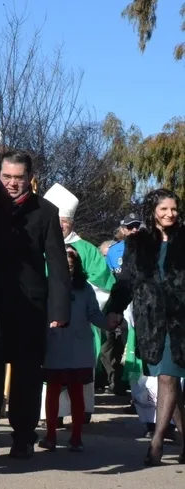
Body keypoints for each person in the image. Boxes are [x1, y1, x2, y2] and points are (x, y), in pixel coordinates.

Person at [0, 151, 71, 461]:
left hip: (28, 309)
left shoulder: (45, 212)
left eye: (18, 178)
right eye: (6, 177)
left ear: (29, 179)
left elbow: (57, 264)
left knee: (26, 377)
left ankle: (22, 437)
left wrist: (59, 311)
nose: (11, 184)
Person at [105, 188, 185, 466]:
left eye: (174, 209)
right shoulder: (137, 243)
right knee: (168, 378)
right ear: (152, 211)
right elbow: (126, 281)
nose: (170, 214)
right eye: (164, 209)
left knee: (168, 377)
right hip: (151, 320)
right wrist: (114, 309)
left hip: (180, 320)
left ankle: (157, 441)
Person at [40, 183, 114, 425]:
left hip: (80, 321)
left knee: (79, 371)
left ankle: (81, 414)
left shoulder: (87, 250)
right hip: (49, 323)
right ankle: (52, 418)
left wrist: (73, 296)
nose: (61, 224)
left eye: (65, 220)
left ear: (72, 222)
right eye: (56, 219)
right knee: (50, 370)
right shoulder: (39, 245)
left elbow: (103, 286)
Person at [39, 245, 117, 453]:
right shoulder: (47, 286)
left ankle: (76, 437)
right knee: (53, 391)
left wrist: (107, 323)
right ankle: (51, 436)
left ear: (77, 266)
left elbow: (94, 314)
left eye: (71, 266)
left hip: (79, 346)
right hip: (55, 343)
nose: (67, 269)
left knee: (76, 392)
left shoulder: (85, 288)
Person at [101, 213, 143, 395]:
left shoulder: (148, 248)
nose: (134, 230)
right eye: (130, 226)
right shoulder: (114, 250)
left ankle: (138, 391)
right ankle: (116, 381)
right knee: (113, 345)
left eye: (137, 226)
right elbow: (109, 277)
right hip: (120, 301)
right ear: (123, 229)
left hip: (141, 302)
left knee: (133, 345)